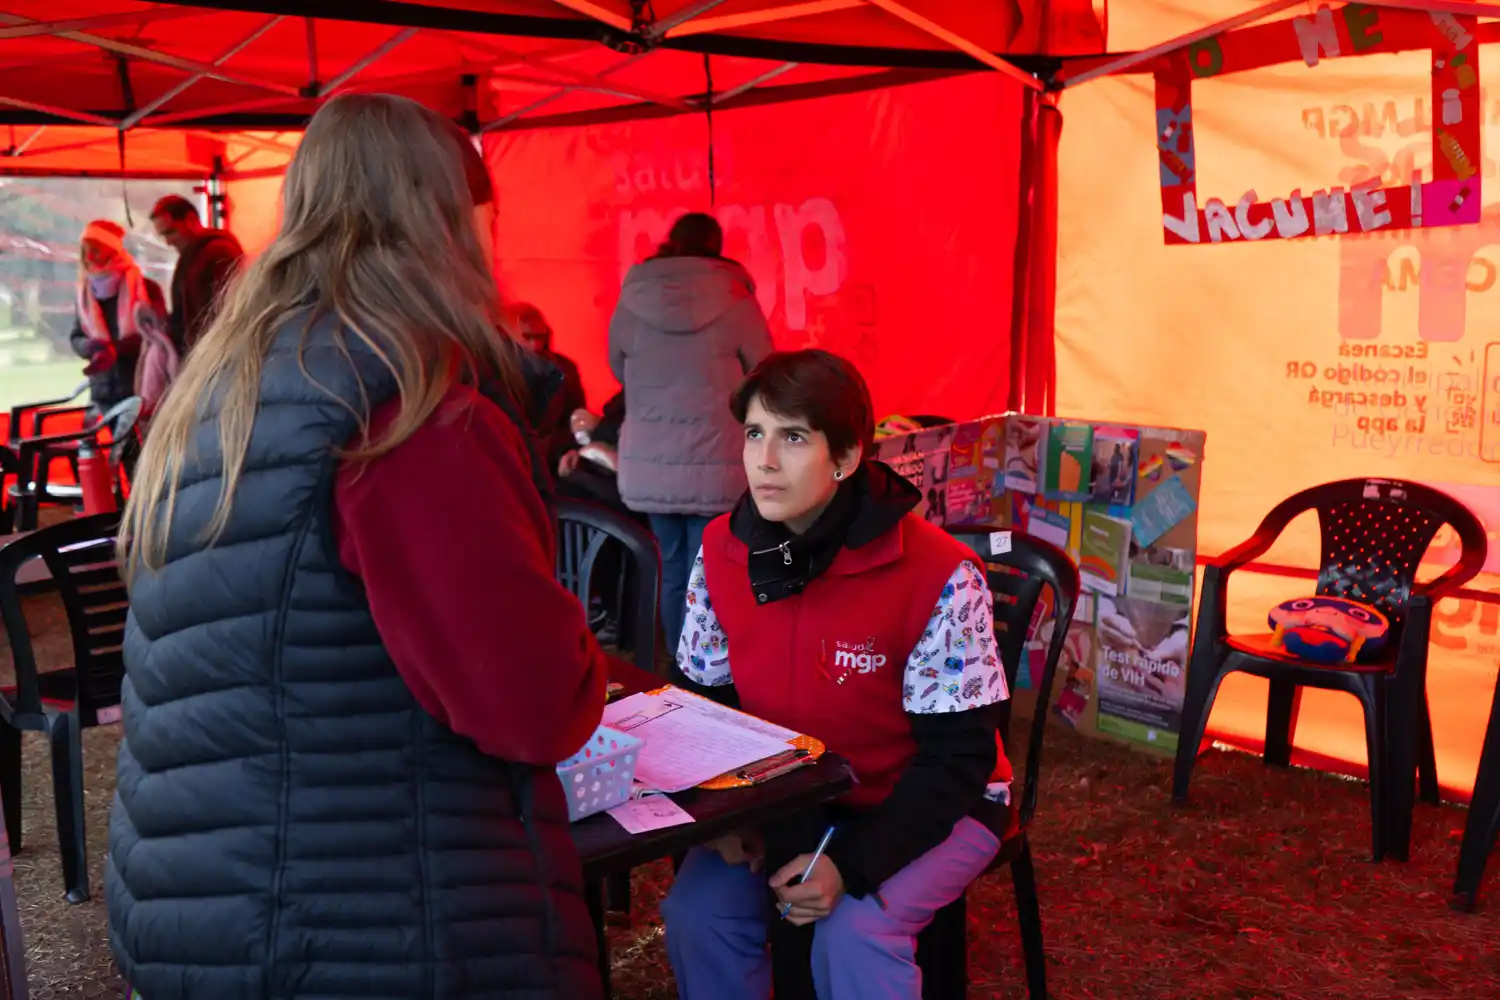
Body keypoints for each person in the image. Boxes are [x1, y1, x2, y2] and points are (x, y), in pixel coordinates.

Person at [108, 94, 608, 1000]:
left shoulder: (228, 386)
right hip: (370, 922)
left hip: (205, 902)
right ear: (443, 221)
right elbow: (530, 702)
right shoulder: (409, 411)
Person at [661, 349, 1014, 999]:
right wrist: (724, 817)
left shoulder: (939, 572)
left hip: (938, 805)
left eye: (793, 438)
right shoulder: (719, 549)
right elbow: (704, 703)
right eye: (755, 434)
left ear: (848, 457)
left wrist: (851, 868)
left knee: (853, 934)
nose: (764, 462)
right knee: (696, 916)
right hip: (784, 801)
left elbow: (959, 762)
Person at [609, 211, 773, 652]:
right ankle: (707, 669)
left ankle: (678, 669)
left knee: (672, 568)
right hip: (717, 461)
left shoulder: (633, 297)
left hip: (650, 464)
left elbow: (617, 368)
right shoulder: (736, 297)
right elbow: (765, 370)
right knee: (712, 571)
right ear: (716, 245)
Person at [70, 220, 174, 460]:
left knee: (140, 455)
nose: (89, 257)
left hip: (140, 388)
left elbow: (156, 335)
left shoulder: (146, 288)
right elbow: (76, 336)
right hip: (103, 390)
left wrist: (114, 351)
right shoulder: (85, 294)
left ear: (113, 250)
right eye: (85, 251)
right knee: (109, 457)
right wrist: (91, 347)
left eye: (96, 249)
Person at [149, 195, 244, 358]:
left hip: (217, 354)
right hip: (200, 354)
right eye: (163, 236)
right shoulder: (190, 256)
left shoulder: (220, 252)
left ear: (191, 220)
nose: (168, 242)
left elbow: (232, 308)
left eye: (172, 232)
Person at [511, 301, 587, 472]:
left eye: (539, 337)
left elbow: (577, 419)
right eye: (527, 337)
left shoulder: (565, 369)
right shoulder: (497, 374)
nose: (535, 345)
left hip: (553, 461)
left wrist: (563, 449)